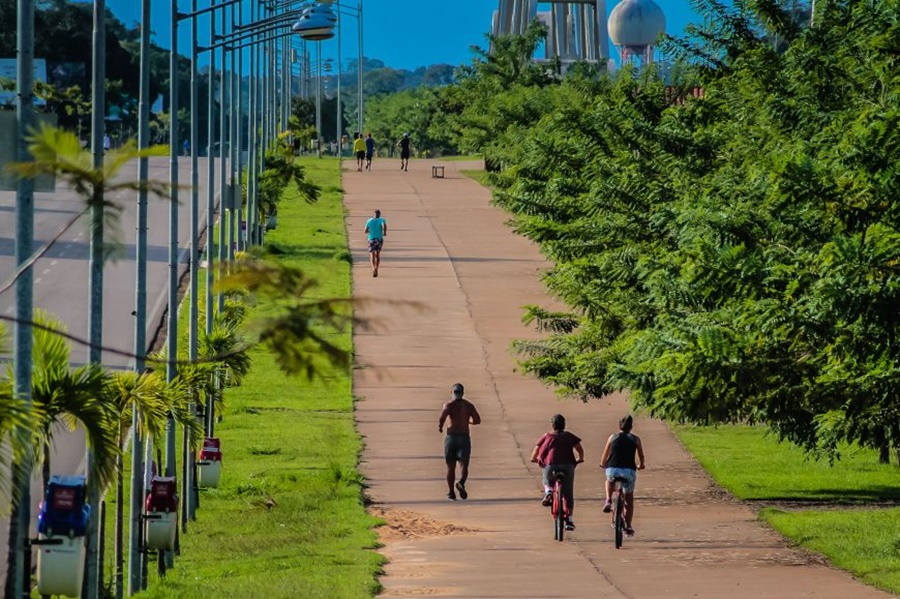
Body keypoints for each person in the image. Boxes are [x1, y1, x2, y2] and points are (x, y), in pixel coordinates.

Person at [530, 414, 584, 531]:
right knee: (568, 492)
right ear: (564, 425)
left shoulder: (547, 436)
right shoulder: (569, 436)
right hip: (568, 466)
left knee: (546, 476)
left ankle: (549, 490)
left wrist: (535, 459)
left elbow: (536, 452)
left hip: (551, 465)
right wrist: (580, 458)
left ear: (552, 425)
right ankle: (569, 520)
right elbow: (579, 449)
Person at [600, 415, 646, 537]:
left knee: (609, 479)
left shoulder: (612, 437)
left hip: (612, 469)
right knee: (629, 498)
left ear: (619, 426)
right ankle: (629, 526)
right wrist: (641, 465)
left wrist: (603, 464)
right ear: (631, 427)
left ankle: (608, 499)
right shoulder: (635, 439)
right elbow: (641, 456)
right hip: (629, 471)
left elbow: (605, 456)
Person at [438, 383, 481, 501]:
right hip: (464, 437)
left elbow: (442, 417)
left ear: (452, 393)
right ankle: (461, 482)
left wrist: (441, 427)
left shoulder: (449, 405)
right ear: (463, 393)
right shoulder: (468, 405)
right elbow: (477, 420)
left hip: (451, 437)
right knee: (464, 464)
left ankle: (451, 493)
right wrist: (468, 421)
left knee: (450, 466)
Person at [364, 209, 387, 277]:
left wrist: (370, 232)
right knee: (378, 254)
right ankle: (377, 268)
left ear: (373, 214)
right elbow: (384, 225)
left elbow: (365, 231)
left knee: (372, 255)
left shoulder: (369, 220)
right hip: (379, 239)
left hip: (371, 239)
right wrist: (384, 232)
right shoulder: (382, 220)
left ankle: (373, 268)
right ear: (379, 214)